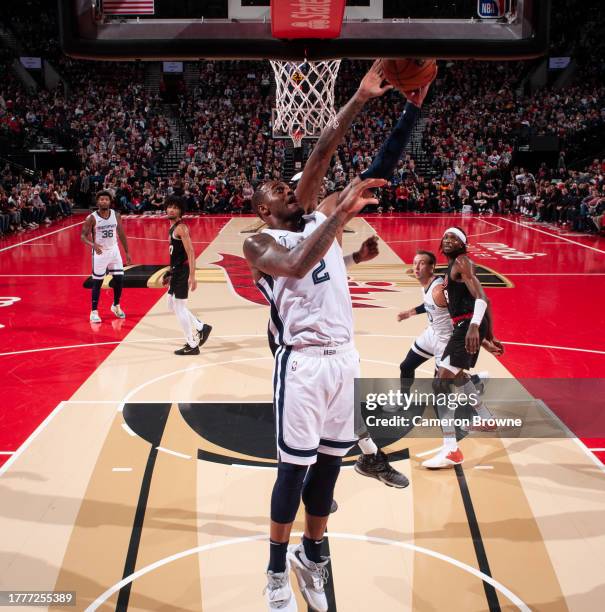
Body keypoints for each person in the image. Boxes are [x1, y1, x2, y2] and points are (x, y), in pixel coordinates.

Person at [246, 60, 432, 612]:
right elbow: (299, 263)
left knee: (330, 467)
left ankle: (313, 555)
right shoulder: (259, 244)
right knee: (293, 471)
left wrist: (375, 103)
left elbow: (332, 154)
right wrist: (338, 215)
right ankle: (277, 573)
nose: (289, 185)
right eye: (277, 189)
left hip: (343, 359)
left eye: (290, 184)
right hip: (301, 365)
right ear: (263, 209)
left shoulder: (316, 215)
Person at [422, 227, 504, 469]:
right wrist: (487, 335)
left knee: (440, 383)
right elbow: (482, 299)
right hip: (464, 325)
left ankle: (451, 450)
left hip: (466, 325)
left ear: (463, 243)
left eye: (455, 237)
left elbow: (481, 297)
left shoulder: (462, 261)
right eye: (446, 236)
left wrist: (475, 328)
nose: (449, 240)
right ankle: (486, 420)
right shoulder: (452, 267)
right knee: (456, 376)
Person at [162, 195, 212, 355]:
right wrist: (170, 272)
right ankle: (200, 326)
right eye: (169, 206)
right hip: (176, 272)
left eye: (175, 207)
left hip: (182, 272)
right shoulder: (172, 227)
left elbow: (191, 252)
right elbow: (175, 253)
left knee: (179, 307)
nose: (171, 209)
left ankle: (192, 344)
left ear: (181, 211)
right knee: (171, 305)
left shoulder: (181, 228)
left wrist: (192, 276)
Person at [80, 190, 131, 323]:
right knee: (98, 282)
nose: (104, 201)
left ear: (110, 201)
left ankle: (116, 306)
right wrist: (93, 245)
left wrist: (127, 252)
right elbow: (83, 236)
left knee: (119, 279)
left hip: (114, 251)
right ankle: (94, 311)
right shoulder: (91, 218)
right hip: (100, 253)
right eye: (101, 199)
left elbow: (121, 233)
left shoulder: (116, 215)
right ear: (97, 202)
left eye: (106, 199)